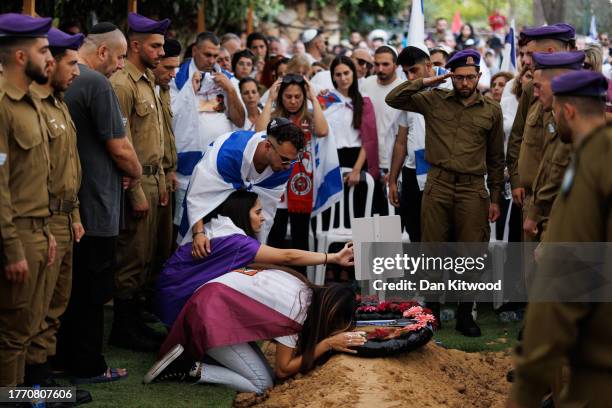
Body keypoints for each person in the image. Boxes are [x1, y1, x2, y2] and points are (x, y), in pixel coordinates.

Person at [147, 192, 362, 394]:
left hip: (193, 300)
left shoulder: (302, 285)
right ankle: (187, 367)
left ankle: (194, 352)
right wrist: (328, 343)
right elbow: (283, 369)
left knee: (260, 371)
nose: (263, 217)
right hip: (204, 314)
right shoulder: (297, 310)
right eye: (257, 212)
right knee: (263, 383)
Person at [508, 71, 611, 408]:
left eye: (552, 111)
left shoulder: (589, 166)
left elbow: (560, 286)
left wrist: (526, 390)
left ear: (568, 112)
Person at [386, 49, 505, 336]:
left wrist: (496, 197)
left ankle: (466, 315)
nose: (465, 83)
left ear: (478, 76)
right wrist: (428, 81)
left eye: (471, 77)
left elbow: (496, 159)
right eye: (460, 77)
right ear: (451, 76)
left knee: (471, 252)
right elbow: (394, 98)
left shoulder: (491, 110)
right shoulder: (433, 100)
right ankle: (432, 312)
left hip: (472, 187)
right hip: (437, 184)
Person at [56, 21, 139, 384]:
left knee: (70, 292)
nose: (122, 65)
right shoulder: (95, 82)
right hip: (95, 205)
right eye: (120, 57)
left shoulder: (70, 84)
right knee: (92, 291)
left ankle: (61, 358)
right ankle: (88, 364)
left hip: (73, 204)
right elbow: (119, 146)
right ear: (103, 52)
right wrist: (135, 171)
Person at [25, 28, 90, 405]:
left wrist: (76, 214)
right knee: (35, 309)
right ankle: (28, 387)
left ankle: (43, 380)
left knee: (55, 306)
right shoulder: (30, 104)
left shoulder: (58, 103)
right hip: (41, 220)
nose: (76, 72)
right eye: (71, 63)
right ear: (49, 64)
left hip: (65, 219)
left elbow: (69, 167)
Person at [0, 12, 56, 389]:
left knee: (26, 329)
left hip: (38, 230)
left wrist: (48, 228)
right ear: (22, 57)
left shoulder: (31, 101)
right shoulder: (3, 105)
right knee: (10, 334)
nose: (49, 57)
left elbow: (38, 176)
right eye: (43, 49)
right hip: (16, 234)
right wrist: (12, 248)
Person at [109, 12, 169, 352]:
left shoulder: (146, 81)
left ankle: (134, 321)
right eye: (155, 45)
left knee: (145, 258)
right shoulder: (122, 84)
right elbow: (123, 141)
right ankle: (123, 328)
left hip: (153, 179)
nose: (161, 52)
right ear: (135, 45)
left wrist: (160, 184)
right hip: (136, 182)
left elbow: (154, 140)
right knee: (130, 258)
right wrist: (135, 193)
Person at [178, 118, 304, 258]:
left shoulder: (284, 167)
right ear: (268, 146)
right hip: (210, 201)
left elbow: (265, 213)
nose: (288, 166)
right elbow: (198, 194)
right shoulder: (229, 153)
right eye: (285, 159)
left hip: (240, 214)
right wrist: (198, 233)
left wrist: (258, 252)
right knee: (197, 249)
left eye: (293, 160)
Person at [505, 24, 574, 242]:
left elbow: (559, 157)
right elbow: (518, 136)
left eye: (529, 54)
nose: (524, 61)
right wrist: (515, 180)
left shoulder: (578, 93)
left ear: (550, 53)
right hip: (530, 198)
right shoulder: (530, 89)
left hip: (559, 201)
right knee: (532, 273)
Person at [170, 31, 245, 228]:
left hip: (218, 168)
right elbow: (170, 117)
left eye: (215, 56)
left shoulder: (228, 79)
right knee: (183, 226)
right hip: (187, 167)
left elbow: (239, 120)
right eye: (207, 55)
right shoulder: (176, 76)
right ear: (194, 50)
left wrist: (230, 90)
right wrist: (189, 88)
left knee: (217, 225)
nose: (212, 60)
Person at [257, 74, 334, 259]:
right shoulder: (274, 118)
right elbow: (259, 133)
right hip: (277, 184)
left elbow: (323, 131)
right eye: (288, 96)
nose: (293, 101)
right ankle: (275, 281)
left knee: (301, 238)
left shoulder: (309, 116)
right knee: (276, 236)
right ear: (280, 96)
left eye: (298, 96)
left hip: (301, 186)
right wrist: (269, 101)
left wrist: (313, 97)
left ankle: (302, 283)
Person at [388, 46, 452, 243]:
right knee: (415, 229)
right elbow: (401, 141)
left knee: (444, 232)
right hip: (412, 171)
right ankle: (421, 274)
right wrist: (392, 179)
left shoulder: (450, 88)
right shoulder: (409, 95)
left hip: (441, 169)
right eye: (405, 72)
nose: (409, 76)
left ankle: (446, 274)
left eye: (413, 70)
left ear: (429, 65)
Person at [522, 52, 584, 240]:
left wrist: (536, 213)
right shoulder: (553, 112)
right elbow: (548, 164)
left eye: (539, 86)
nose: (535, 92)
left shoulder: (572, 119)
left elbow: (557, 169)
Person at [151, 38, 181, 310]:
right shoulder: (130, 87)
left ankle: (148, 303)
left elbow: (165, 135)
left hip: (163, 176)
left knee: (160, 247)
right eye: (169, 66)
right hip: (144, 178)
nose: (173, 74)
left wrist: (170, 169)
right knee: (138, 252)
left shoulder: (162, 90)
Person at [362, 45, 404, 216]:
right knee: (369, 215)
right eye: (377, 64)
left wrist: (396, 171)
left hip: (393, 163)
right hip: (368, 160)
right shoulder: (366, 84)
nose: (380, 69)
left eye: (385, 64)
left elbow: (405, 134)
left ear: (396, 65)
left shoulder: (403, 88)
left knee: (393, 218)